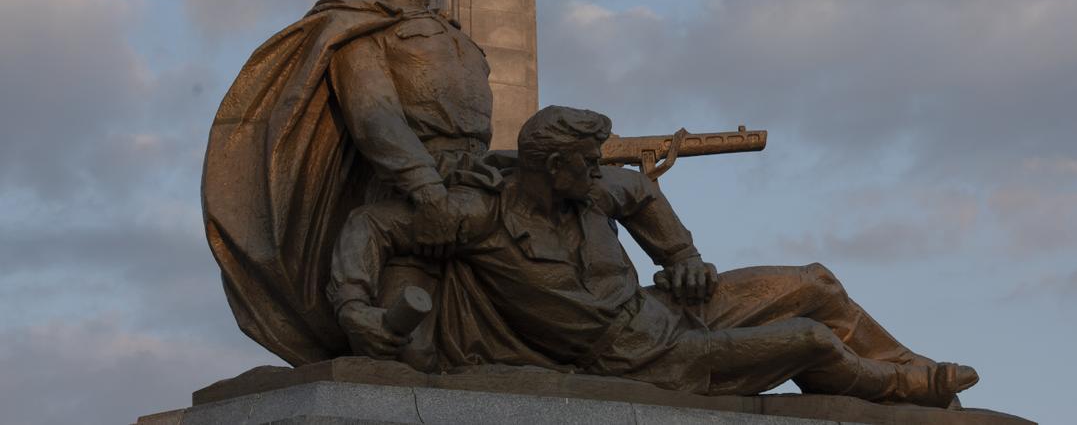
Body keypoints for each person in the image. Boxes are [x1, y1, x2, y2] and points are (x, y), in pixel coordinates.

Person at [326, 106, 980, 406]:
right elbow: (371, 224)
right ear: (554, 167)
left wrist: (683, 253)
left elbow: (638, 190)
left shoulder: (590, 191)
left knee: (817, 283)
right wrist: (355, 305)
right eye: (586, 164)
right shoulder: (483, 220)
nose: (596, 172)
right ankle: (903, 387)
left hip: (670, 307)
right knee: (810, 339)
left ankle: (911, 364)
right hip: (647, 357)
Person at [203, 0, 503, 366]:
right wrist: (429, 193)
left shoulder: (454, 35)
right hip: (413, 201)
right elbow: (375, 119)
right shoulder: (358, 30)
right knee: (411, 354)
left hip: (482, 192)